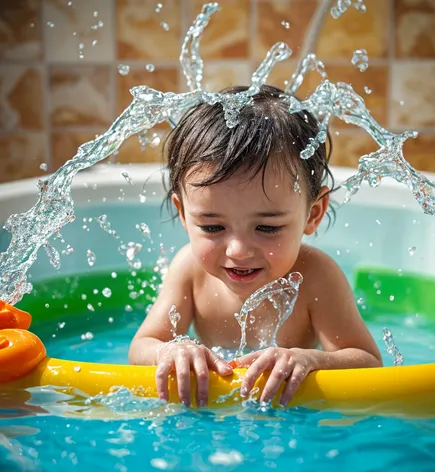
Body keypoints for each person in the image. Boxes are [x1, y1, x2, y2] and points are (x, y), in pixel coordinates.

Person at [129, 85, 382, 408]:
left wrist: (309, 359)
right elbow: (143, 344)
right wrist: (170, 351)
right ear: (183, 214)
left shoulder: (317, 276)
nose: (237, 250)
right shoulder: (189, 269)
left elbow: (367, 361)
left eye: (267, 227)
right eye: (212, 227)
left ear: (313, 213)